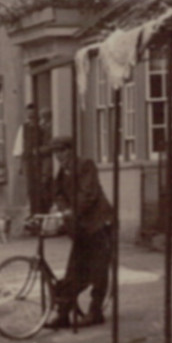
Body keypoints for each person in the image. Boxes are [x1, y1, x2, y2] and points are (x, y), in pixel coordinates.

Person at [46, 136, 116, 329]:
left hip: (100, 224)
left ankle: (95, 311)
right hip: (82, 228)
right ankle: (63, 314)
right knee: (73, 271)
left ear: (70, 150)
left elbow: (89, 194)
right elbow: (58, 194)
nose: (58, 156)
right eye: (55, 152)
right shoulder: (62, 173)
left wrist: (70, 210)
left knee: (98, 270)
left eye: (61, 151)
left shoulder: (86, 165)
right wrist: (63, 208)